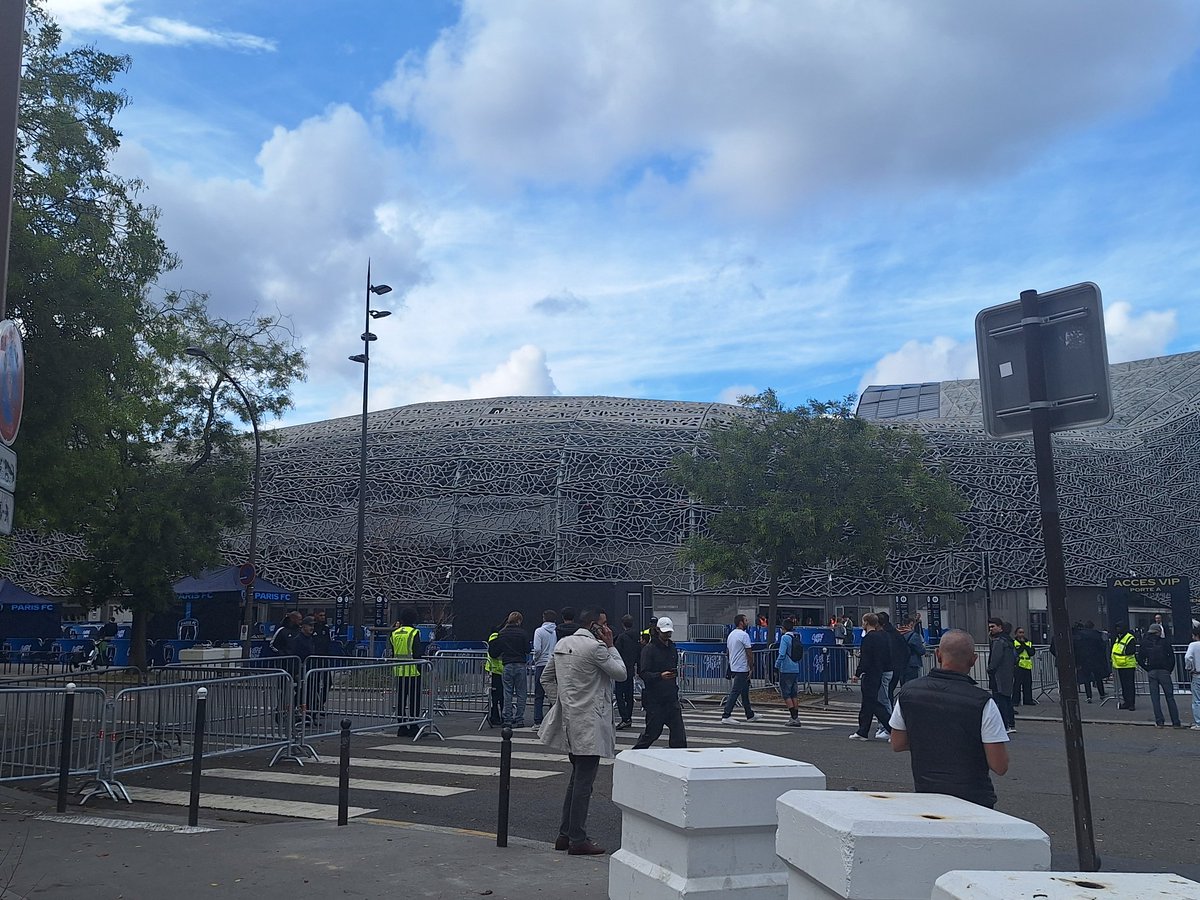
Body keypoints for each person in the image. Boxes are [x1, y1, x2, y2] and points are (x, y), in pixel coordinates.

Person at [889, 628, 1010, 809]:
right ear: (973, 659)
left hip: (927, 795)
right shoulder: (982, 702)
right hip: (974, 799)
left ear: (938, 654)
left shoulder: (908, 692)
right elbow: (999, 765)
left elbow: (897, 743)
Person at [539, 608, 627, 856]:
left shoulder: (563, 643)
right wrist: (611, 646)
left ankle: (565, 834)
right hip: (590, 721)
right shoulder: (596, 648)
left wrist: (561, 701)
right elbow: (621, 674)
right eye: (604, 624)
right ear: (593, 626)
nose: (607, 629)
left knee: (576, 778)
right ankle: (577, 838)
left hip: (570, 720)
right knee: (583, 782)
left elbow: (546, 678)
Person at [632, 617, 686, 749]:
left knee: (679, 734)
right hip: (655, 698)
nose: (668, 634)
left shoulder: (672, 648)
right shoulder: (649, 649)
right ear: (657, 630)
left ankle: (678, 759)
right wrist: (660, 676)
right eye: (665, 632)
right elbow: (643, 673)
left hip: (671, 696)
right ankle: (635, 753)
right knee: (652, 733)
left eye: (669, 632)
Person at [849, 612, 892, 741]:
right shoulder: (884, 636)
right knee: (868, 703)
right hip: (880, 671)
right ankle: (863, 730)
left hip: (870, 673)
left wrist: (857, 674)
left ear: (866, 623)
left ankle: (892, 728)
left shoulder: (868, 638)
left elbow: (865, 659)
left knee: (872, 703)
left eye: (863, 622)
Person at [489, 611, 531, 728]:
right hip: (520, 664)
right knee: (521, 693)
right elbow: (527, 649)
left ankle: (507, 719)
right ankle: (519, 719)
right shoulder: (523, 633)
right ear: (519, 621)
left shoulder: (502, 633)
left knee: (507, 693)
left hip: (506, 665)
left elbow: (497, 650)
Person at [1137, 623, 1181, 728]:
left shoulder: (1144, 643)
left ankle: (1159, 721)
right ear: (1159, 632)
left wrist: (1147, 668)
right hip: (1164, 671)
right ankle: (1176, 722)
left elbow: (1140, 659)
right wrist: (1169, 669)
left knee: (1155, 698)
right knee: (1170, 697)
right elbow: (1171, 657)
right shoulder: (1165, 642)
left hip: (1152, 671)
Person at [391, 607, 424, 737]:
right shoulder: (414, 632)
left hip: (399, 670)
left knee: (400, 700)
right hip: (413, 671)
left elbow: (394, 652)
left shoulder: (395, 633)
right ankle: (414, 726)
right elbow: (417, 653)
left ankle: (401, 726)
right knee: (414, 701)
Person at [720, 614, 756, 724]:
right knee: (735, 691)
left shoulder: (731, 634)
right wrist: (751, 666)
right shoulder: (744, 635)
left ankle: (750, 714)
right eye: (745, 620)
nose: (747, 622)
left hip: (735, 666)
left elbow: (728, 651)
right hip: (742, 667)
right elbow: (749, 652)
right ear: (741, 622)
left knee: (744, 691)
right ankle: (726, 714)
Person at [986, 618, 1016, 733]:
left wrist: (990, 669)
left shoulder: (999, 641)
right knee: (1007, 699)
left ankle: (1004, 724)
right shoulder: (1008, 640)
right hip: (1007, 673)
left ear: (1000, 627)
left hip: (999, 674)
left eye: (993, 626)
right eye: (990, 627)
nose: (991, 629)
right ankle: (1011, 723)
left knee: (1000, 700)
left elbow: (995, 659)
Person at [532, 609, 559, 727]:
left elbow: (537, 649)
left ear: (543, 618)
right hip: (555, 664)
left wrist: (535, 658)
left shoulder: (539, 631)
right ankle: (552, 720)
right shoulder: (557, 631)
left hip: (541, 664)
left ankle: (538, 720)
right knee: (553, 693)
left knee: (539, 694)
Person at [613, 614, 641, 729]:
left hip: (621, 668)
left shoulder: (621, 638)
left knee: (619, 694)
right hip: (631, 669)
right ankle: (629, 717)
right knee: (629, 695)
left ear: (623, 624)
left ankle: (624, 718)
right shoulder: (636, 637)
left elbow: (616, 653)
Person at [775, 616, 804, 727]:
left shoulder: (785, 638)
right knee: (794, 694)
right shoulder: (797, 636)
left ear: (783, 628)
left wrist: (776, 665)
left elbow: (782, 654)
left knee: (786, 694)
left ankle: (793, 717)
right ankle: (796, 716)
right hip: (795, 667)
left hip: (786, 668)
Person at [1071, 621, 1108, 703]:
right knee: (1098, 678)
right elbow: (1102, 647)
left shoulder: (1080, 635)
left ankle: (1089, 696)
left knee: (1086, 679)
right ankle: (1102, 694)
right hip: (1096, 660)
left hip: (1084, 660)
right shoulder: (1097, 634)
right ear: (1092, 626)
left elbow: (1077, 649)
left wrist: (1077, 662)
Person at [876, 611, 906, 711]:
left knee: (884, 696)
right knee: (889, 693)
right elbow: (905, 650)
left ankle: (888, 721)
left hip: (886, 668)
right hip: (896, 667)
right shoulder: (896, 633)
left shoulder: (882, 635)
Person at [1111, 622, 1139, 710]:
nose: (1117, 629)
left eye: (1119, 627)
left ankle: (1131, 703)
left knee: (1129, 685)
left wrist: (1121, 653)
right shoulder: (1118, 637)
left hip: (1128, 665)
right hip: (1120, 665)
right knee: (1124, 685)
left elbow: (1131, 651)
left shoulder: (1129, 638)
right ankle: (1126, 702)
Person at [485, 623, 505, 728]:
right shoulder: (496, 639)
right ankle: (498, 717)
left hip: (493, 670)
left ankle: (495, 716)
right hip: (497, 670)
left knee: (495, 697)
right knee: (500, 696)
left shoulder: (492, 638)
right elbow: (494, 654)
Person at [1011, 626, 1036, 707]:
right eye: (1020, 632)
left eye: (1023, 632)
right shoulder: (1014, 642)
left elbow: (1032, 652)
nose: (1022, 634)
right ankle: (1015, 701)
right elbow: (1018, 651)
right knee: (1017, 685)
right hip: (1018, 665)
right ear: (1016, 633)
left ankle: (1028, 700)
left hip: (1027, 665)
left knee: (1028, 684)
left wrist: (1025, 644)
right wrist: (1022, 644)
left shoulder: (1028, 642)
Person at [898, 616, 925, 688]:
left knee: (903, 685)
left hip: (900, 663)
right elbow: (921, 651)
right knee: (912, 686)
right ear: (911, 624)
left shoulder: (897, 634)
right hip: (912, 664)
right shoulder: (914, 636)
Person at [1185, 624, 1200, 730]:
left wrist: (1190, 667)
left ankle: (1198, 723)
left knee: (1197, 700)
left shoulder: (1193, 645)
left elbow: (1188, 657)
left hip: (1197, 674)